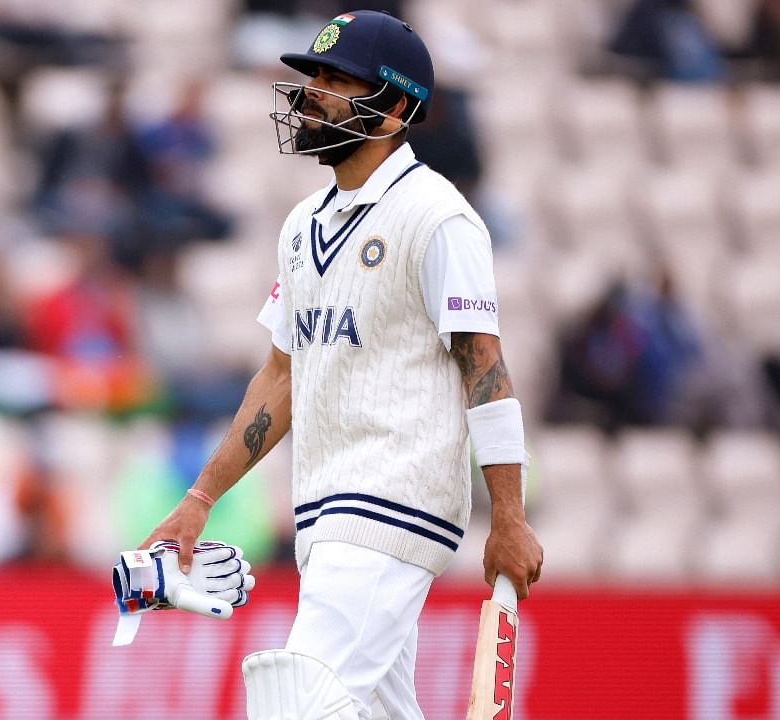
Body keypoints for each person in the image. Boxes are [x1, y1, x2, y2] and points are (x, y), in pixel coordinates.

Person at [138, 11, 543, 719]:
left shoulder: (437, 218)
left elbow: (485, 367)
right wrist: (200, 500)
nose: (312, 93)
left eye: (335, 79)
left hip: (394, 499)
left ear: (395, 106)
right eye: (312, 77)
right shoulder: (304, 226)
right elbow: (279, 376)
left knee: (297, 701)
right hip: (325, 512)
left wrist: (508, 515)